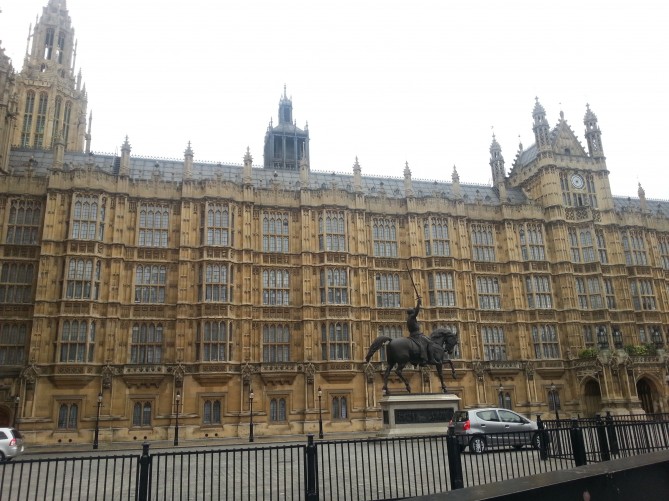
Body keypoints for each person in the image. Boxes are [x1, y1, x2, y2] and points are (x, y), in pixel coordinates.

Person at [406, 296, 431, 366]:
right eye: (413, 310)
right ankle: (424, 360)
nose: (414, 311)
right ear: (412, 312)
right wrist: (418, 303)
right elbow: (416, 312)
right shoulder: (411, 317)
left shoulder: (409, 318)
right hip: (416, 335)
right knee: (427, 343)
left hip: (413, 335)